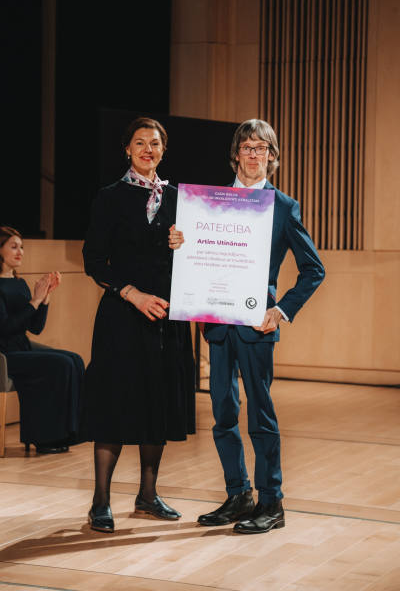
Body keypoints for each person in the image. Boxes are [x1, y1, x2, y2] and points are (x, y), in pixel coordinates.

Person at [197, 119, 325, 534]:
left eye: (262, 148)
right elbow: (199, 258)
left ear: (272, 156)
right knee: (222, 413)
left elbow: (314, 269)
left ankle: (272, 502)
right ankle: (238, 495)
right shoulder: (209, 202)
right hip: (218, 323)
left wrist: (281, 310)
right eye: (247, 147)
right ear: (236, 154)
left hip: (257, 324)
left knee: (261, 415)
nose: (254, 154)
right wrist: (180, 244)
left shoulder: (284, 207)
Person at [81, 117, 195, 533]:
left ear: (164, 150)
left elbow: (199, 258)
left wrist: (186, 246)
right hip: (123, 311)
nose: (148, 149)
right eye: (140, 142)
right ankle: (100, 501)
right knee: (115, 400)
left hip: (167, 313)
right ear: (127, 149)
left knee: (157, 400)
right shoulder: (109, 197)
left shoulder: (181, 199)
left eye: (156, 143)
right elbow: (94, 261)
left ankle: (148, 494)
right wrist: (133, 295)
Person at [0, 226, 84, 454]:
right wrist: (35, 301)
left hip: (21, 348)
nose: (20, 252)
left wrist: (44, 299)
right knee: (61, 363)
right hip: (5, 354)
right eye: (14, 247)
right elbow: (5, 328)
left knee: (75, 360)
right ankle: (45, 438)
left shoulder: (19, 283)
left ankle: (69, 433)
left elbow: (35, 328)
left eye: (22, 247)